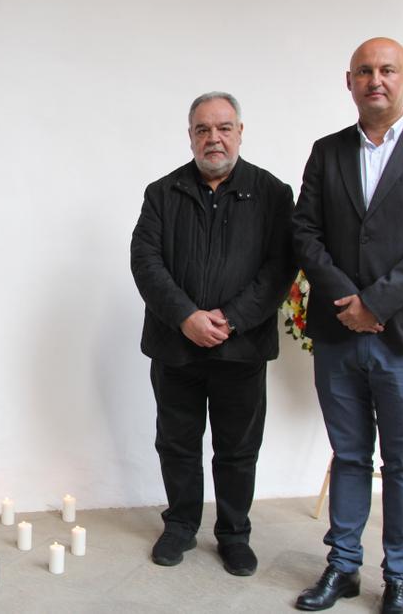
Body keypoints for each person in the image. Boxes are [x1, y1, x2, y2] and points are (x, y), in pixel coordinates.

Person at [292, 38, 403, 613]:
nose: (376, 79)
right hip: (340, 330)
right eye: (365, 71)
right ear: (349, 81)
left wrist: (379, 304)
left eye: (387, 69)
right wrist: (349, 298)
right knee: (348, 455)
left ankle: (399, 576)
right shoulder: (326, 152)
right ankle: (342, 566)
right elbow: (305, 232)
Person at [130, 92, 294, 577]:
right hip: (175, 346)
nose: (213, 138)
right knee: (177, 443)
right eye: (203, 129)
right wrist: (185, 316)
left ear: (240, 131)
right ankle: (180, 526)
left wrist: (232, 317)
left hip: (241, 347)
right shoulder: (162, 193)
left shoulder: (273, 193)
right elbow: (145, 260)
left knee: (238, 448)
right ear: (190, 136)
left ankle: (234, 535)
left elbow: (281, 266)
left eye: (223, 127)